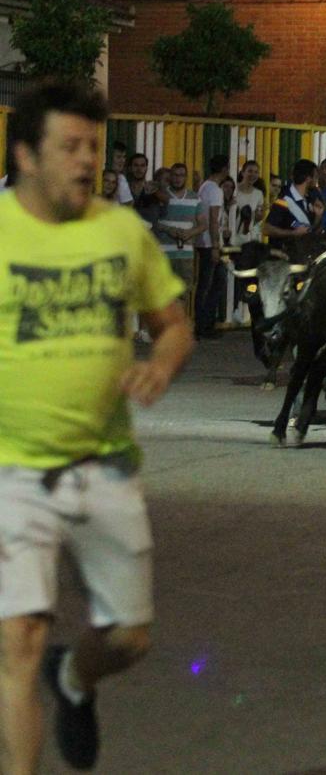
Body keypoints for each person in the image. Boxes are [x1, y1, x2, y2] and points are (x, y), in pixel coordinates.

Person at [0, 80, 195, 775]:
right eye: (70, 147)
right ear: (26, 154)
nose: (88, 161)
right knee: (18, 638)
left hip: (105, 464)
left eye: (93, 147)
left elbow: (171, 324)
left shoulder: (119, 232)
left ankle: (75, 680)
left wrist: (161, 367)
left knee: (128, 638)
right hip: (12, 471)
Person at [192, 154, 229, 340]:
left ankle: (202, 323)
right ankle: (204, 324)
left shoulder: (205, 186)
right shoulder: (215, 190)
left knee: (209, 283)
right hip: (210, 243)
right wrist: (216, 245)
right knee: (212, 284)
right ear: (224, 169)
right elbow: (214, 219)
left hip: (202, 241)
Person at [263, 158, 325, 257]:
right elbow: (266, 229)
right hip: (283, 258)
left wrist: (318, 217)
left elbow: (309, 231)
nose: (316, 182)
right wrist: (292, 233)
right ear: (308, 178)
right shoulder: (283, 200)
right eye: (315, 177)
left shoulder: (310, 200)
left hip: (303, 255)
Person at [230, 160, 265, 246]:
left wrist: (260, 215)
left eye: (256, 172)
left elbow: (257, 219)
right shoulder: (233, 190)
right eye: (250, 171)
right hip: (231, 236)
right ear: (242, 173)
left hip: (249, 239)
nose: (253, 175)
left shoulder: (258, 194)